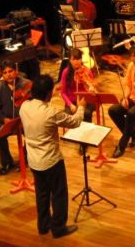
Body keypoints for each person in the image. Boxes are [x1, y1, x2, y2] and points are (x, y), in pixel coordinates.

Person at [20, 74, 86, 238]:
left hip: (34, 161)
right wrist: (82, 107)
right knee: (58, 194)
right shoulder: (51, 112)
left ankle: (43, 226)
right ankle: (58, 228)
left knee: (41, 194)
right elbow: (75, 122)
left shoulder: (24, 107)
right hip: (51, 161)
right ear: (48, 93)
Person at [0, 60, 32, 175]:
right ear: (2, 74)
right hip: (7, 120)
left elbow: (34, 102)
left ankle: (25, 159)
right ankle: (7, 162)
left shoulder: (26, 84)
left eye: (10, 71)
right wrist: (3, 119)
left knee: (32, 135)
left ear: (16, 71)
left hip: (24, 120)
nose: (8, 74)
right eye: (5, 72)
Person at [60, 48, 96, 122]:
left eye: (78, 59)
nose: (76, 62)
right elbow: (63, 93)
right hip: (72, 102)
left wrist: (91, 88)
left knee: (86, 113)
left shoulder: (87, 71)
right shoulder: (65, 72)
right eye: (73, 59)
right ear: (70, 60)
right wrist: (70, 104)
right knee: (67, 116)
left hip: (85, 101)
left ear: (81, 59)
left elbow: (93, 87)